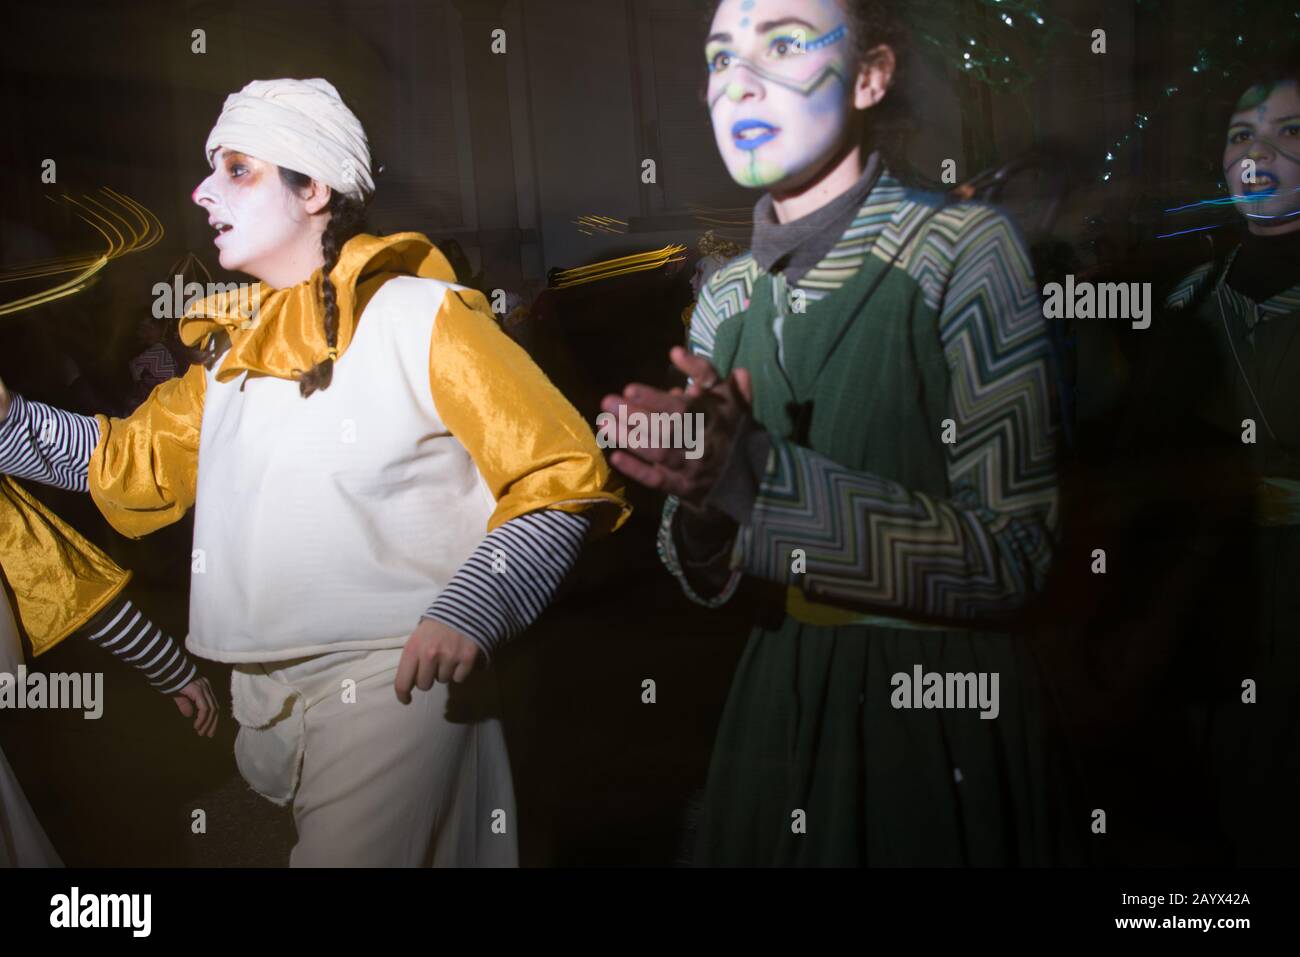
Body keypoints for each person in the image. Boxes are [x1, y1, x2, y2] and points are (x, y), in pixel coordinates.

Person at [0, 77, 629, 866]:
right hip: (267, 701)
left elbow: (559, 473)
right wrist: (9, 421)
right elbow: (131, 461)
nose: (200, 192)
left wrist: (474, 604)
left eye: (235, 169)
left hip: (395, 682)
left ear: (313, 186)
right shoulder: (231, 352)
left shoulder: (421, 315)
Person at [604, 0, 1064, 865]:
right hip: (778, 698)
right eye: (718, 56)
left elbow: (1016, 555)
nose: (736, 79)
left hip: (932, 715)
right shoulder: (726, 294)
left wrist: (760, 481)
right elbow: (698, 566)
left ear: (869, 75)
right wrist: (699, 500)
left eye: (781, 43)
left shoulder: (964, 250)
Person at [1161, 48, 1300, 864]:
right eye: (1242, 131)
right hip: (1216, 583)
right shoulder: (1189, 296)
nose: (1259, 151)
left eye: (1290, 131)